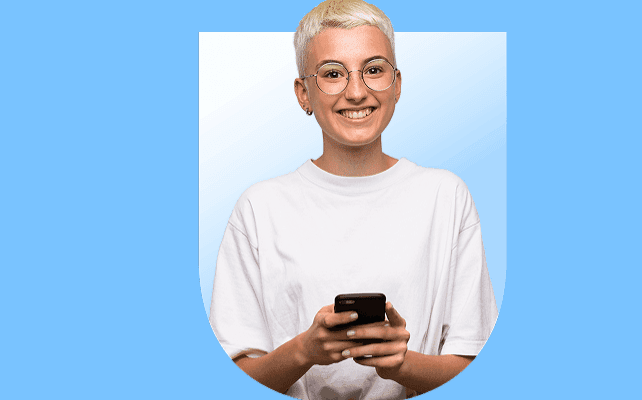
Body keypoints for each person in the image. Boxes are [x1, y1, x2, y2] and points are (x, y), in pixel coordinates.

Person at [208, 1, 498, 398]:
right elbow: (230, 378)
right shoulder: (259, 208)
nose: (357, 92)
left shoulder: (446, 197)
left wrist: (402, 364)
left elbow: (475, 367)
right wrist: (303, 351)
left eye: (374, 70)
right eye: (332, 73)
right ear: (303, 93)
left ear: (397, 84)